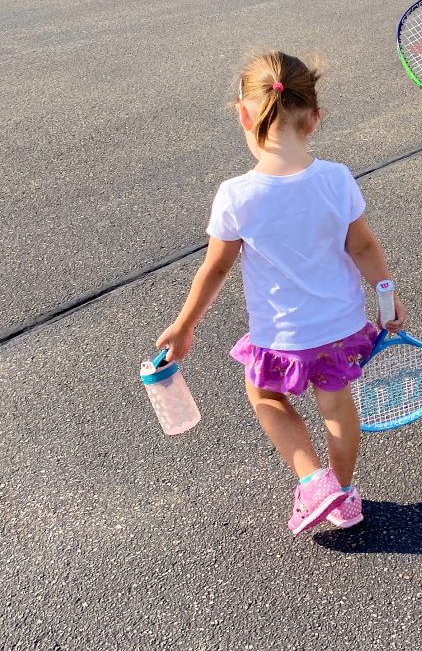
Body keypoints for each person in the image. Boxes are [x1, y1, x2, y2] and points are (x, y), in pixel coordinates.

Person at [156, 51, 406, 535]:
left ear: (244, 115)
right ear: (314, 119)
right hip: (342, 327)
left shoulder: (236, 194)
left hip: (282, 336)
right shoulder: (336, 178)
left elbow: (216, 267)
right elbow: (363, 245)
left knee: (266, 396)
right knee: (336, 406)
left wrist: (185, 325)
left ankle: (312, 479)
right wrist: (386, 293)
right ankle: (345, 495)